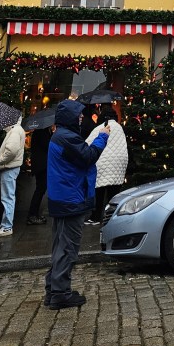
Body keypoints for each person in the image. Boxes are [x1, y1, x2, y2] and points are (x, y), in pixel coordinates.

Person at [45, 99, 109, 310]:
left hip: (63, 198)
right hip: (71, 199)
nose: (82, 117)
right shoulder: (67, 138)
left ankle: (53, 289)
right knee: (68, 248)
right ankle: (60, 293)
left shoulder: (61, 135)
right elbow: (88, 156)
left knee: (60, 246)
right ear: (70, 117)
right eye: (78, 114)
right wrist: (102, 136)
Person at [85, 115, 128, 223]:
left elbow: (88, 143)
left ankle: (96, 217)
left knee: (99, 193)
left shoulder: (100, 128)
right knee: (114, 195)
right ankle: (111, 219)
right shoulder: (119, 127)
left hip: (103, 164)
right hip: (119, 164)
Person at [0, 117, 25, 239]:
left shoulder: (15, 131)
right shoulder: (15, 130)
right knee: (7, 197)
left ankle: (7, 227)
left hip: (9, 167)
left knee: (7, 198)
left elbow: (11, 151)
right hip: (10, 167)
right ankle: (5, 224)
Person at [27, 125, 52, 225]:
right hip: (41, 166)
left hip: (40, 165)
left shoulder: (41, 131)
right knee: (40, 190)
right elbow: (48, 146)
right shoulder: (42, 132)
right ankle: (32, 215)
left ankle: (34, 214)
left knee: (40, 190)